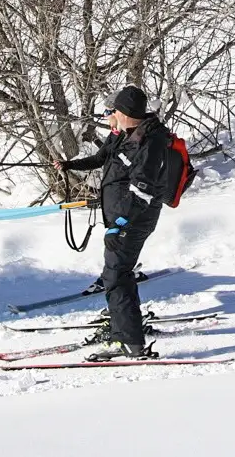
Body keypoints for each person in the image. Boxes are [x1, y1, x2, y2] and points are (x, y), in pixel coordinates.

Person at [58, 84, 174, 361]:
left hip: (132, 220)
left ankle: (130, 341)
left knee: (116, 276)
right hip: (120, 219)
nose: (110, 116)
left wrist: (119, 224)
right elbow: (101, 158)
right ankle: (122, 328)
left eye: (113, 111)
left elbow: (142, 191)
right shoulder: (123, 135)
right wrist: (69, 166)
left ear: (123, 112)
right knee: (116, 274)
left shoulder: (149, 143)